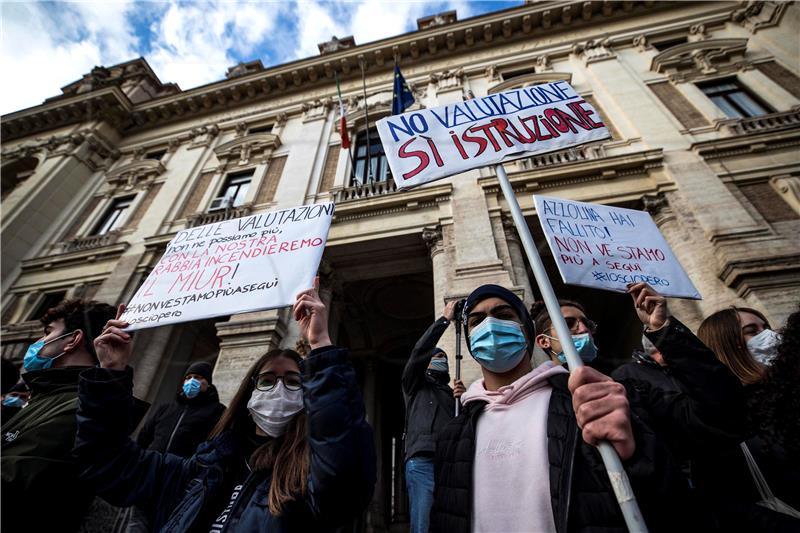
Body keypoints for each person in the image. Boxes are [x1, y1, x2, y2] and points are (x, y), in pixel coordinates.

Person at [73, 280, 377, 532]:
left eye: (294, 382)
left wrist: (321, 345)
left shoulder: (311, 480)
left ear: (308, 397)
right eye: (268, 380)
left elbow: (342, 460)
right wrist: (110, 375)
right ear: (249, 394)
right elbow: (106, 462)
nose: (279, 389)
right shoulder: (199, 470)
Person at [431, 284, 701, 532]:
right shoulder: (452, 434)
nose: (490, 324)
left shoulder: (585, 404)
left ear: (527, 332)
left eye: (504, 314)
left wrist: (637, 450)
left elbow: (664, 499)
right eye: (477, 321)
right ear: (469, 342)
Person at [1, 299, 117, 533]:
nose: (39, 342)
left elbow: (12, 483)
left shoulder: (81, 407)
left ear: (73, 339)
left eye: (48, 333)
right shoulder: (48, 396)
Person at [697, 306, 799, 531]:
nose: (770, 336)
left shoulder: (790, 389)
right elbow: (726, 500)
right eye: (752, 331)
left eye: (767, 327)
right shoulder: (720, 414)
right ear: (726, 345)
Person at [402, 300, 461, 533]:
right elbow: (419, 352)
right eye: (435, 356)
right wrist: (444, 320)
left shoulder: (452, 395)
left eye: (443, 358)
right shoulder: (414, 385)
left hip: (451, 460)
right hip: (422, 460)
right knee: (424, 523)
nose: (440, 360)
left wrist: (465, 401)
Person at [137, 361, 226, 457]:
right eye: (188, 378)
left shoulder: (217, 411)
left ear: (208, 383)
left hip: (183, 469)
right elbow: (144, 437)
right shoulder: (166, 408)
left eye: (197, 377)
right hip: (153, 465)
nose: (191, 381)